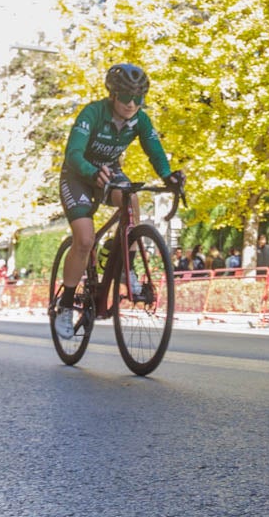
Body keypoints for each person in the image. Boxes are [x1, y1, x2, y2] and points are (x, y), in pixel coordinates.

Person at [54, 63, 184, 339]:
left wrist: (167, 175)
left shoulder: (140, 119)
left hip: (109, 172)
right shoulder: (92, 113)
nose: (131, 104)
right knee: (85, 239)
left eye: (138, 99)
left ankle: (126, 266)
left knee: (132, 200)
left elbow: (154, 150)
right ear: (113, 95)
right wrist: (91, 171)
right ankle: (65, 305)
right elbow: (73, 154)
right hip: (78, 175)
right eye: (126, 97)